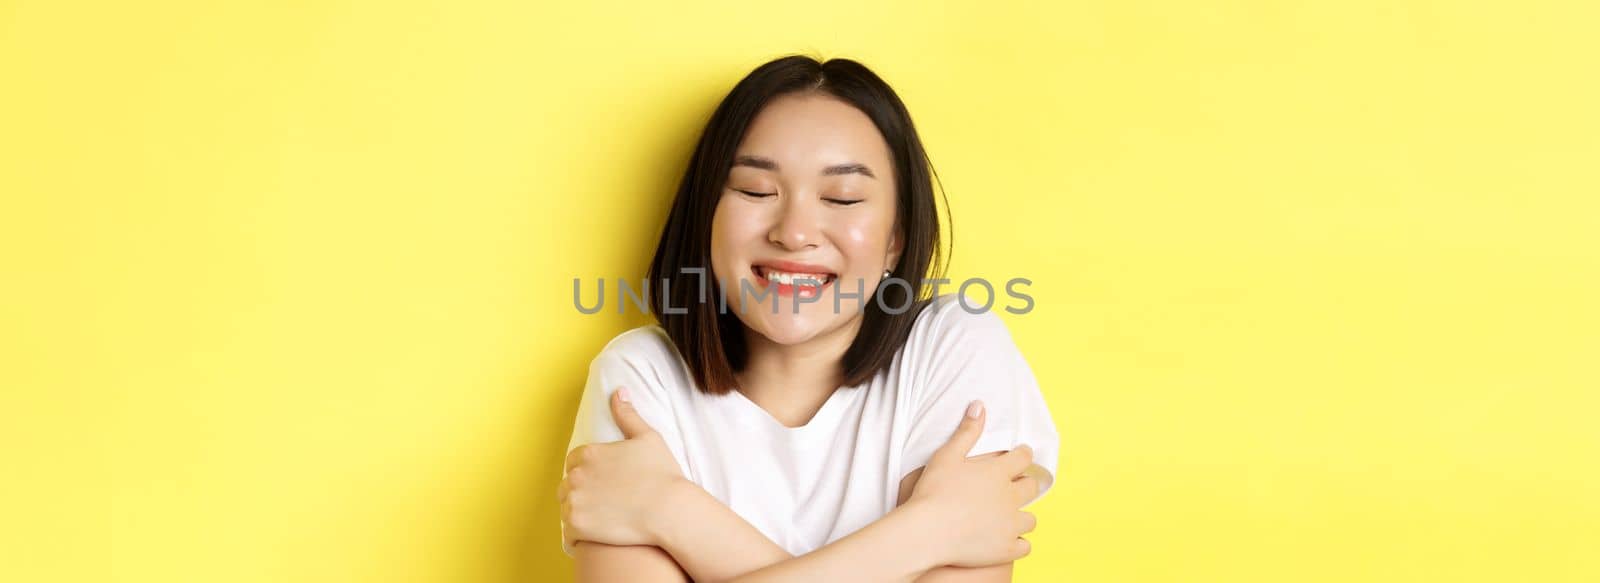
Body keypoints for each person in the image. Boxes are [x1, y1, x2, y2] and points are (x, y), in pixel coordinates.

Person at [557, 54, 1061, 582]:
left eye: (842, 198)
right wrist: (929, 531)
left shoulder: (954, 347)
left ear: (896, 239)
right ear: (706, 215)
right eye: (755, 191)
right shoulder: (641, 378)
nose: (794, 233)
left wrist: (670, 510)